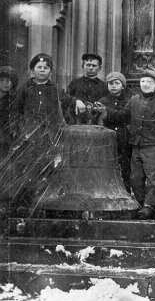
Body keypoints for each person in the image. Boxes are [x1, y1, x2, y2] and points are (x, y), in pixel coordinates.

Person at [1, 54, 74, 210]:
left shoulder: (54, 88)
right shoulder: (25, 88)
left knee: (48, 167)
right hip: (29, 136)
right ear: (32, 70)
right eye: (39, 68)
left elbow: (68, 100)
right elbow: (15, 111)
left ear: (51, 72)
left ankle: (46, 204)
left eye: (46, 68)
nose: (42, 70)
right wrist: (17, 129)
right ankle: (27, 203)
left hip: (49, 136)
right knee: (28, 168)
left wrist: (79, 102)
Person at [121, 69, 155, 219]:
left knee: (152, 178)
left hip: (153, 146)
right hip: (136, 145)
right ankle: (142, 203)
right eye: (143, 81)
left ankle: (149, 206)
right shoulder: (134, 100)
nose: (145, 84)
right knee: (135, 178)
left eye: (149, 82)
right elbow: (124, 116)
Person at [97, 72, 134, 192]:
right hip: (107, 136)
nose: (113, 86)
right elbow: (100, 118)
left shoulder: (129, 101)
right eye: (111, 83)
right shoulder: (102, 100)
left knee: (125, 166)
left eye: (117, 83)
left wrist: (107, 111)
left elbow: (125, 116)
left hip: (124, 137)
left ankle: (126, 190)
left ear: (122, 86)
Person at [66, 53, 107, 124]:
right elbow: (67, 99)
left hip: (96, 124)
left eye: (94, 66)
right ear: (83, 66)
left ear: (100, 68)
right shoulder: (74, 83)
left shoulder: (104, 86)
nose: (91, 68)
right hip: (76, 122)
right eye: (88, 65)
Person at [0, 66, 18, 159]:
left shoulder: (15, 98)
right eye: (2, 80)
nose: (5, 83)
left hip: (8, 137)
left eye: (8, 81)